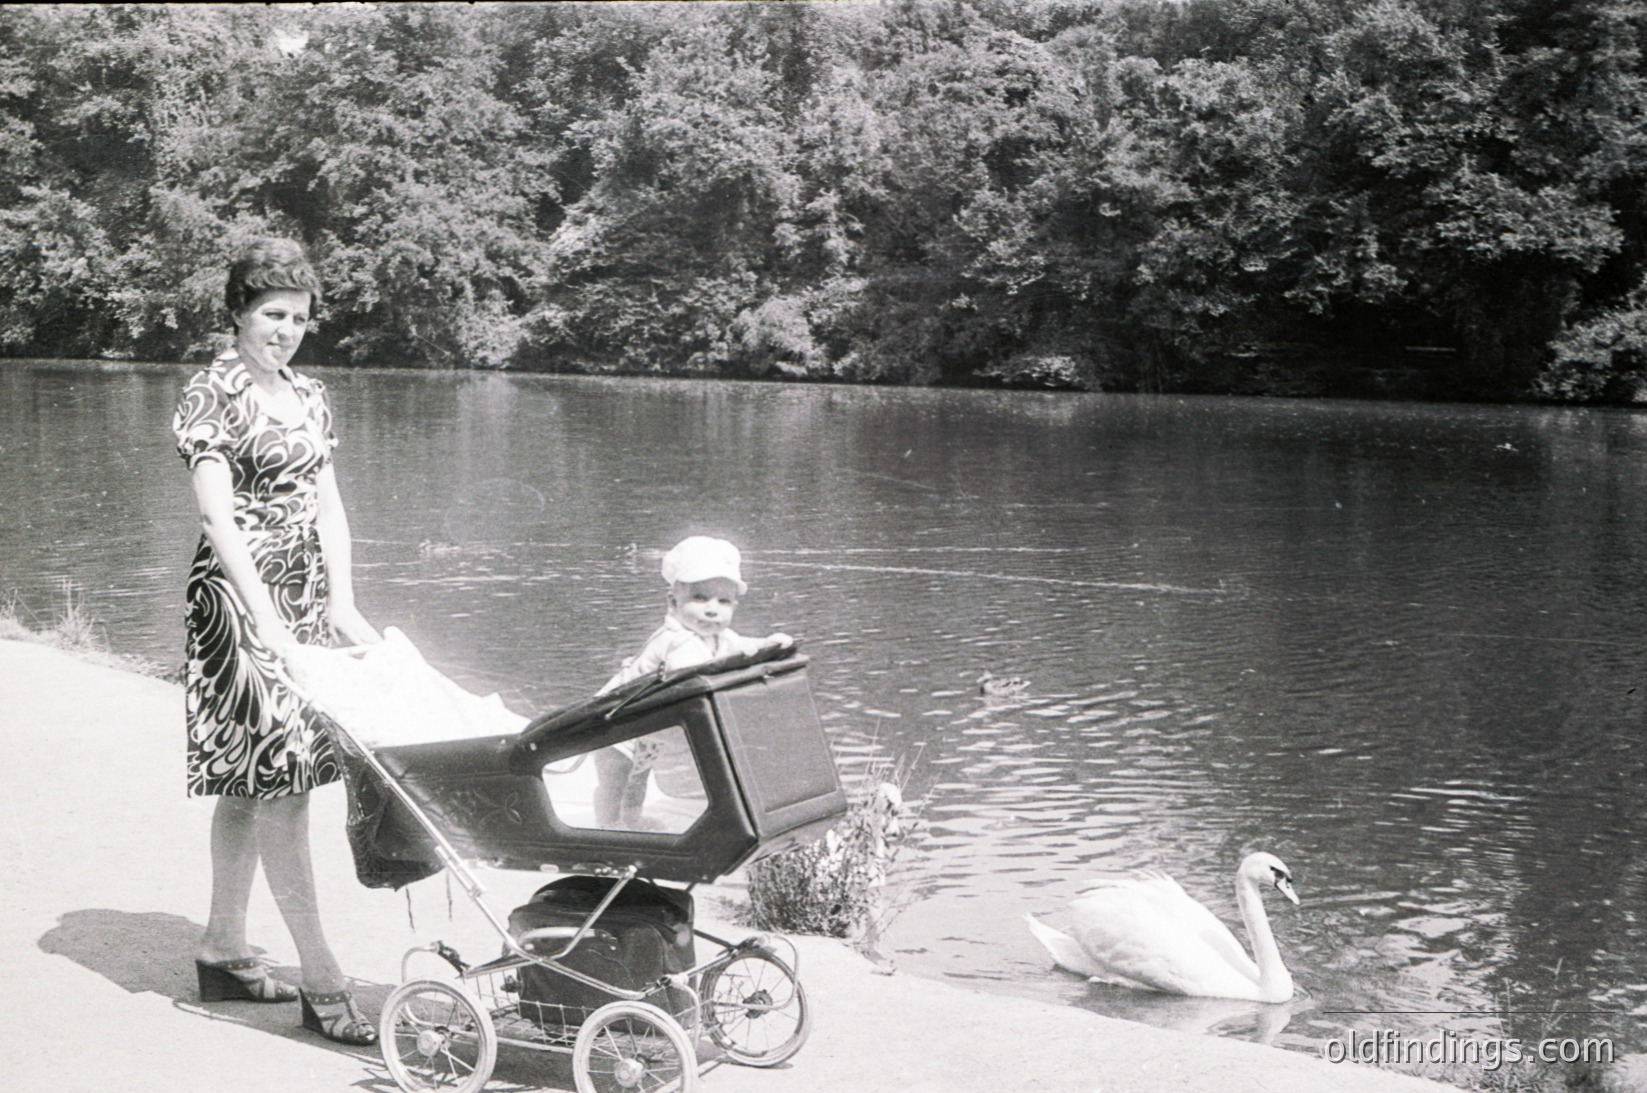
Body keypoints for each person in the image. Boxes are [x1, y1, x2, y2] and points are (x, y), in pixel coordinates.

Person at [172, 238, 381, 1046]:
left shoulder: (311, 393)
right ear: (237, 313)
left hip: (301, 597)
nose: (286, 329)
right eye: (272, 314)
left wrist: (344, 604)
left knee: (250, 777)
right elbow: (218, 518)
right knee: (285, 779)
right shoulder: (209, 393)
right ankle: (322, 975)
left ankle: (224, 946)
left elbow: (329, 507)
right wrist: (266, 623)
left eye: (298, 317)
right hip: (234, 597)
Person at [591, 536, 790, 827]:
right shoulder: (676, 639)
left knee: (637, 785)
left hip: (645, 730)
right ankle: (606, 829)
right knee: (615, 784)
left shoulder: (717, 636)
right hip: (611, 722)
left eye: (724, 601)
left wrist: (768, 645)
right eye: (700, 598)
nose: (712, 609)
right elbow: (690, 672)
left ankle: (629, 825)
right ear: (673, 603)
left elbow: (741, 644)